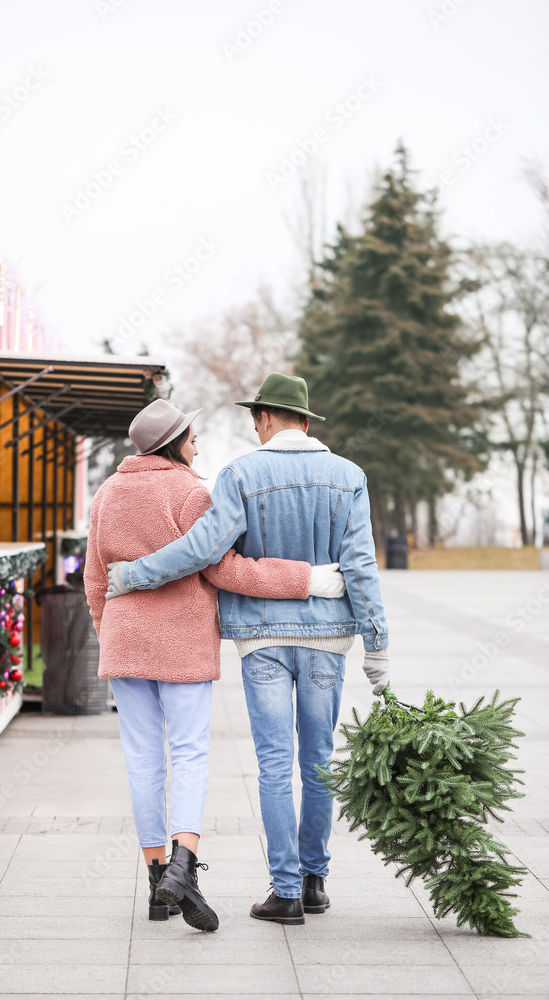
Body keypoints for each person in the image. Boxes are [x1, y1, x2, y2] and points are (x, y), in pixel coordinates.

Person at [106, 373, 391, 925]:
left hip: (261, 640)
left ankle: (283, 893)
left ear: (264, 418)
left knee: (275, 765)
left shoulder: (240, 474)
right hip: (329, 640)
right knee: (318, 762)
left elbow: (204, 550)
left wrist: (137, 574)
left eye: (254, 418)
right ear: (306, 421)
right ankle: (314, 883)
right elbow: (360, 564)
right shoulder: (348, 476)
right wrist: (377, 646)